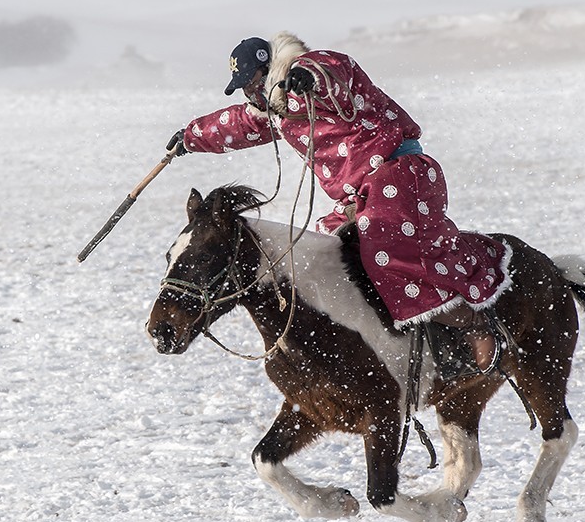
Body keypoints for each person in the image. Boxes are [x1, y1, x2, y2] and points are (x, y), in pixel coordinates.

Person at [166, 32, 512, 375]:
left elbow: (335, 74)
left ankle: (470, 322)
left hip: (397, 174)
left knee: (384, 252)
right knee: (328, 257)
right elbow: (240, 123)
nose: (250, 92)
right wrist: (190, 137)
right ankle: (377, 343)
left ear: (269, 68)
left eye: (253, 82)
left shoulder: (311, 71)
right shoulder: (279, 110)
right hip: (356, 196)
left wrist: (307, 78)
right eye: (244, 87)